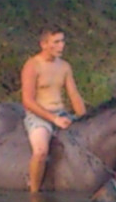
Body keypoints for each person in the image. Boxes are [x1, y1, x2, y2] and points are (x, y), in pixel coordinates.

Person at [21, 26, 86, 193]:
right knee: (41, 151)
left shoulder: (64, 66)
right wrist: (53, 119)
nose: (61, 46)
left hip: (62, 113)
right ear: (44, 44)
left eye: (62, 41)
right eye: (56, 42)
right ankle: (34, 191)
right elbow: (27, 101)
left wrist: (85, 118)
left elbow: (74, 95)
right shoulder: (32, 65)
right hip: (39, 115)